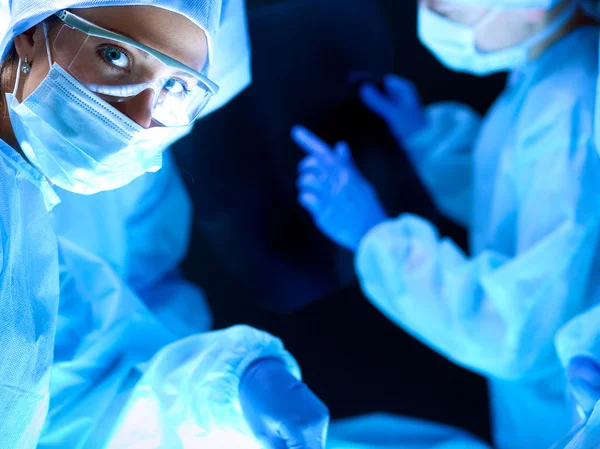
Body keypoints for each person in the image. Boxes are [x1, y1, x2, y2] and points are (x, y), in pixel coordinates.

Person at [0, 1, 328, 448]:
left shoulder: (25, 220)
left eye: (175, 85)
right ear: (30, 32)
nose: (137, 120)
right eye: (115, 56)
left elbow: (73, 380)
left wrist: (230, 390)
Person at [292, 0, 600, 448]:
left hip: (558, 419)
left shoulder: (569, 102)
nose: (431, 14)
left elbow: (515, 331)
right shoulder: (554, 69)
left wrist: (375, 236)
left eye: (450, 8)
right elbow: (519, 203)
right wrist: (428, 139)